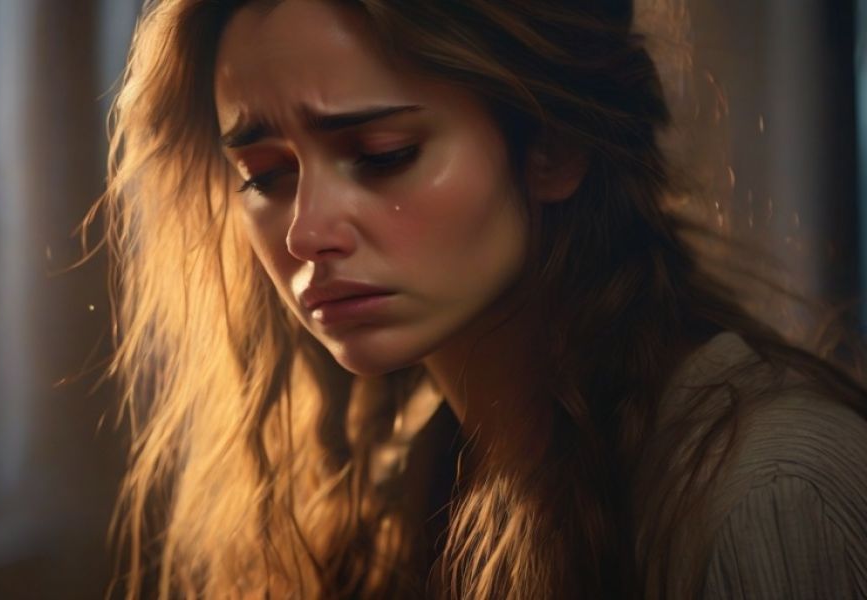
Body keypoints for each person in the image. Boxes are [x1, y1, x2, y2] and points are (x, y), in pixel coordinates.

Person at [92, 0, 867, 597]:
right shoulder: (394, 472)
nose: (306, 232)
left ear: (554, 146)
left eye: (383, 155)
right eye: (265, 174)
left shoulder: (772, 491)